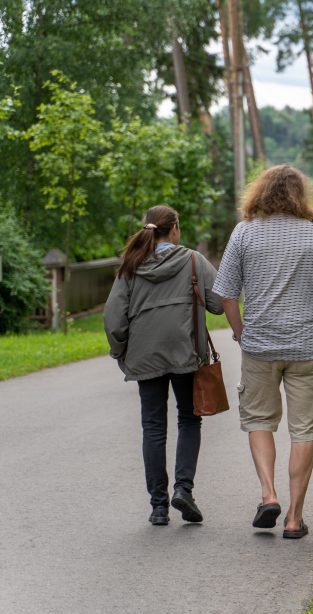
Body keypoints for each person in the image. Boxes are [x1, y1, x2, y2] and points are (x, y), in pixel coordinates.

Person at [213, 164, 313, 540]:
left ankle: (268, 495)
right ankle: (294, 518)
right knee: (303, 429)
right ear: (300, 194)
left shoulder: (243, 233)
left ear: (260, 192)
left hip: (259, 345)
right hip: (306, 346)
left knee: (259, 420)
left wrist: (241, 332)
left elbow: (225, 292)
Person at [104, 205, 223, 526]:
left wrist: (121, 353)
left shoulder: (129, 268)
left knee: (153, 428)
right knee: (189, 419)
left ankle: (158, 506)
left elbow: (113, 319)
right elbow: (218, 303)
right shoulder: (194, 261)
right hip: (187, 353)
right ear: (174, 229)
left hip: (145, 357)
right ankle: (183, 489)